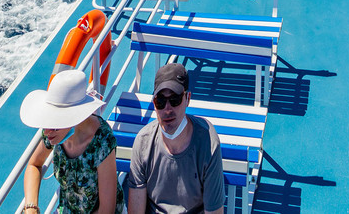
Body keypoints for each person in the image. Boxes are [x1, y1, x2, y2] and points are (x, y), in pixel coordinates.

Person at [125, 63, 226, 214]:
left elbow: (214, 211)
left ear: (188, 99)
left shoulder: (208, 143)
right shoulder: (143, 143)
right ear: (154, 104)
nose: (167, 109)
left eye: (175, 100)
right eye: (160, 101)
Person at [20, 69, 123, 214]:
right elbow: (34, 165)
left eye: (54, 124)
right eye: (46, 121)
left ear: (74, 117)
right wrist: (31, 207)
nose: (47, 131)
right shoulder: (53, 132)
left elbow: (107, 209)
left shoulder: (102, 141)